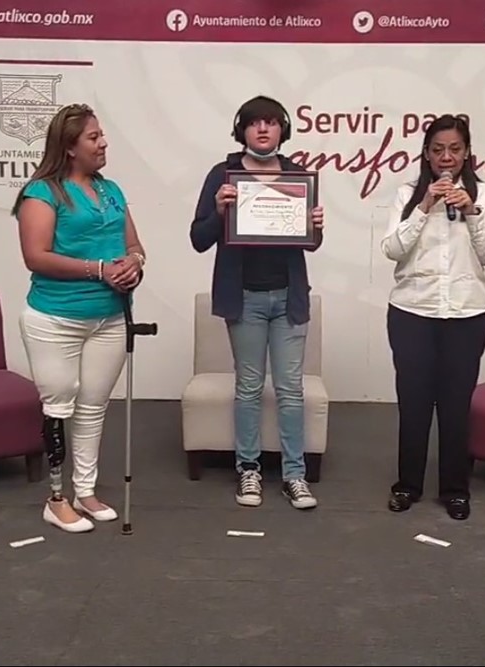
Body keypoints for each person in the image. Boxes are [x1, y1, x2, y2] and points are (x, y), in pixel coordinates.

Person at [12, 103, 146, 534]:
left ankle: (84, 491)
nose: (104, 143)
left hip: (109, 318)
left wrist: (134, 264)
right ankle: (56, 500)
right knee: (59, 404)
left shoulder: (111, 190)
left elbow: (134, 246)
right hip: (55, 319)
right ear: (69, 147)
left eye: (101, 135)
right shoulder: (42, 193)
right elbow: (36, 256)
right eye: (94, 137)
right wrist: (99, 270)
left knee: (93, 407)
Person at [189, 95, 325, 510]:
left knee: (290, 390)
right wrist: (218, 211)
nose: (263, 129)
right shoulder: (223, 175)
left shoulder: (298, 176)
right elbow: (198, 239)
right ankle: (248, 469)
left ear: (283, 129)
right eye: (254, 123)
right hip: (244, 298)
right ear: (242, 130)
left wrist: (316, 227)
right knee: (248, 388)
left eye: (270, 122)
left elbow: (311, 244)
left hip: (289, 298)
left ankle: (294, 475)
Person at [379, 114, 485, 521]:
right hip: (412, 312)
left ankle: (455, 490)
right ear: (426, 154)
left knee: (456, 405)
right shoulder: (407, 194)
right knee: (414, 403)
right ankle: (407, 485)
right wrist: (423, 207)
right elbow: (392, 249)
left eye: (454, 149)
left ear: (467, 153)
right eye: (438, 150)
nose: (446, 157)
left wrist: (471, 212)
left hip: (467, 313)